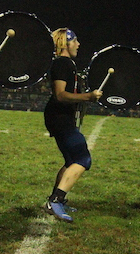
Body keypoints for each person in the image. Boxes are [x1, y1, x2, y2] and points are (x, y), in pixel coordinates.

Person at [42, 28, 102, 222]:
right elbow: (60, 95)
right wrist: (88, 96)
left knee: (70, 160)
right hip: (59, 117)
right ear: (65, 43)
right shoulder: (62, 63)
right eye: (75, 41)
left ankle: (56, 199)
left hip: (61, 116)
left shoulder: (66, 63)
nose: (78, 44)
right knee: (83, 158)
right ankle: (55, 201)